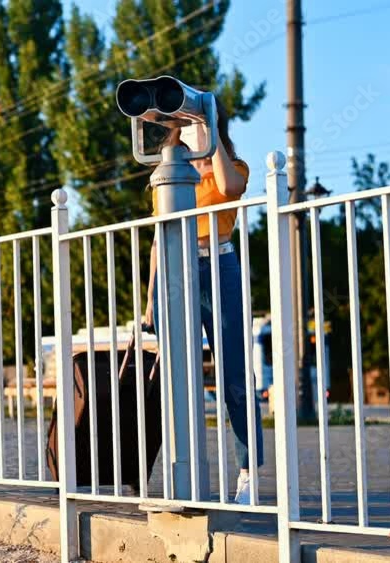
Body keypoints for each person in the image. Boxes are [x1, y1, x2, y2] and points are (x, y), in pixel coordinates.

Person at [143, 100, 264, 504]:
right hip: (174, 273)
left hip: (220, 266)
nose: (190, 126)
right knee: (178, 379)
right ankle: (185, 473)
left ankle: (247, 475)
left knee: (233, 376)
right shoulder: (168, 172)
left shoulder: (234, 166)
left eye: (199, 120)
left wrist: (210, 135)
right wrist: (148, 301)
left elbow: (231, 189)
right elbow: (159, 237)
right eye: (187, 121)